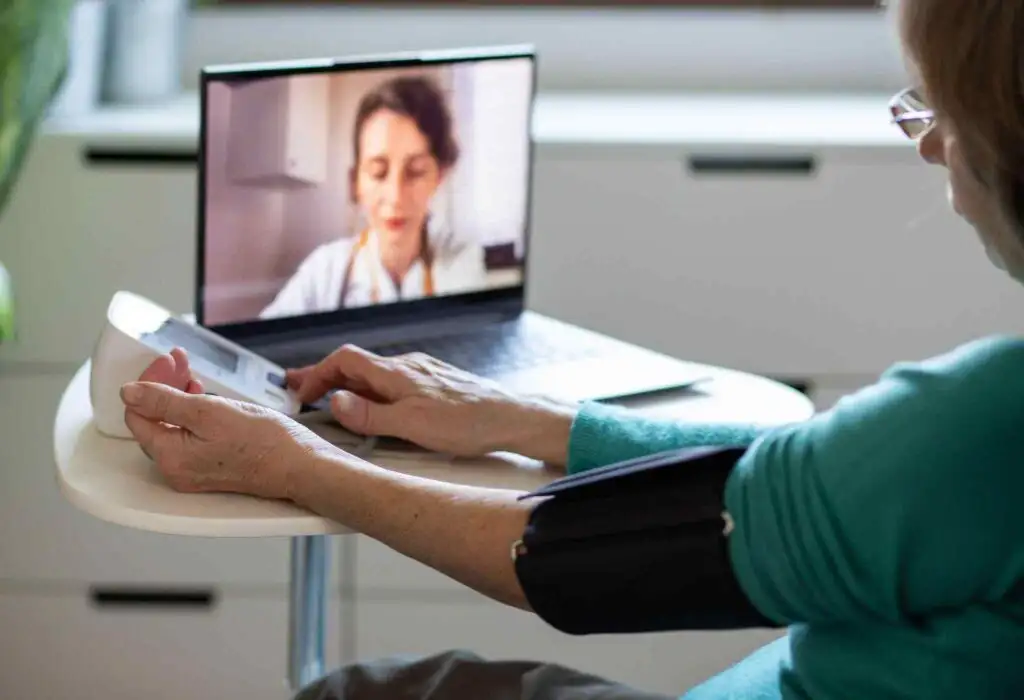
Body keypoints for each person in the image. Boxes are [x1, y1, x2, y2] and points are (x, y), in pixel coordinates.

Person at [119, 1, 1024, 698]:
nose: (932, 144)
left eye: (940, 103)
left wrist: (299, 465)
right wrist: (519, 418)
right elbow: (803, 483)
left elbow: (561, 559)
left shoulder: (990, 418)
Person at [259, 74, 488, 320]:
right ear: (356, 180)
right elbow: (257, 353)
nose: (395, 196)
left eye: (416, 172)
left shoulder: (460, 261)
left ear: (439, 176)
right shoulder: (324, 271)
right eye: (378, 173)